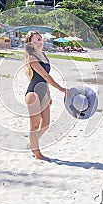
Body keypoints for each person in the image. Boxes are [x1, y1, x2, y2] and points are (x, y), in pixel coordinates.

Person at [24, 31, 70, 160]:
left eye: (39, 39)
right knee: (34, 125)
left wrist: (49, 95)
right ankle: (37, 153)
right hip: (33, 94)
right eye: (35, 41)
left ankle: (32, 143)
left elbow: (45, 81)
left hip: (43, 93)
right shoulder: (31, 57)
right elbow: (45, 76)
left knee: (45, 124)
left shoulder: (43, 55)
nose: (38, 42)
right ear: (30, 44)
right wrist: (61, 88)